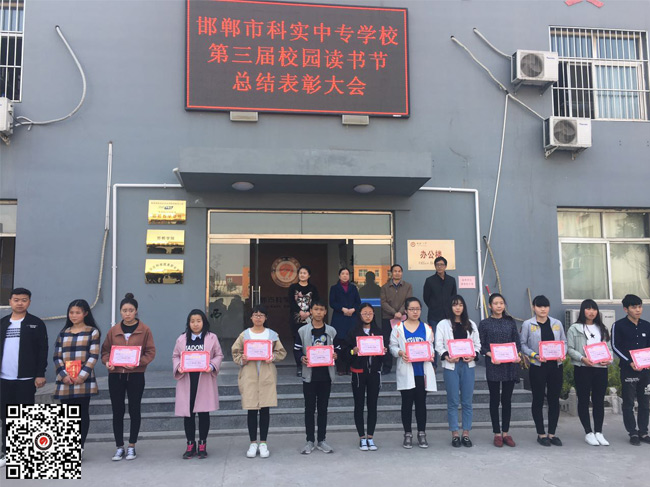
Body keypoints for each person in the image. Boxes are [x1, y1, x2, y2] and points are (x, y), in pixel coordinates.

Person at [101, 292, 156, 461]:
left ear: (136, 311)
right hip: (116, 375)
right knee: (117, 410)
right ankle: (119, 446)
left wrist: (138, 362)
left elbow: (150, 352)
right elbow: (105, 351)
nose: (127, 313)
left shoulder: (144, 330)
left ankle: (132, 445)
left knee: (134, 409)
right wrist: (107, 362)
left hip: (136, 375)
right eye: (124, 310)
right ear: (120, 312)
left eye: (131, 310)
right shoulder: (113, 331)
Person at [0, 288, 48, 468]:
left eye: (24, 300)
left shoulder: (36, 323)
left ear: (29, 302)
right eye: (16, 299)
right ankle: (7, 451)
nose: (20, 303)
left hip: (26, 379)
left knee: (24, 416)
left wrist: (40, 373)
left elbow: (43, 350)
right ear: (10, 301)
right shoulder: (2, 323)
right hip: (4, 378)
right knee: (6, 416)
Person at [232, 305, 286, 459]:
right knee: (251, 409)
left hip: (266, 374)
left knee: (265, 409)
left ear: (266, 318)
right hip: (249, 374)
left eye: (261, 315)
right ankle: (252, 443)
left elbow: (281, 352)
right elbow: (235, 352)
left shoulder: (272, 335)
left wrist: (273, 357)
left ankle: (263, 443)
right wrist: (242, 359)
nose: (258, 318)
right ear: (251, 317)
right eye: (255, 315)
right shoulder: (244, 335)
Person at [52, 299, 101, 461]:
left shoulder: (92, 332)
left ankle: (80, 446)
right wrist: (63, 375)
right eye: (71, 312)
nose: (74, 315)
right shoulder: (63, 333)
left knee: (82, 413)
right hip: (65, 380)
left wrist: (82, 376)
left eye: (77, 312)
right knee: (66, 414)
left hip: (83, 380)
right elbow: (57, 356)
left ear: (85, 313)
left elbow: (93, 356)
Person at [173, 309, 223, 459]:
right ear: (188, 323)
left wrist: (212, 365)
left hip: (204, 380)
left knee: (203, 414)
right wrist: (178, 366)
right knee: (188, 414)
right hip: (187, 381)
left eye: (198, 321)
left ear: (203, 322)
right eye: (192, 321)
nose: (195, 324)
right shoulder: (182, 339)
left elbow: (219, 355)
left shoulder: (212, 337)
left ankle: (202, 444)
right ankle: (190, 445)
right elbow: (175, 356)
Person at [389, 297, 436, 449]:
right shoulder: (398, 328)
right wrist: (400, 352)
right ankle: (407, 434)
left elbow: (431, 346)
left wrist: (431, 354)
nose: (415, 312)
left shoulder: (427, 328)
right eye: (412, 309)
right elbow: (392, 347)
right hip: (406, 371)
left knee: (421, 404)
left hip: (422, 372)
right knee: (407, 404)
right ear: (406, 311)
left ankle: (422, 433)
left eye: (418, 309)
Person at [520, 295, 566, 447]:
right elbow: (523, 344)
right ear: (534, 308)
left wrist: (562, 353)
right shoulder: (528, 324)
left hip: (556, 366)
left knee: (554, 399)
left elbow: (564, 342)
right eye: (539, 306)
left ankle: (552, 433)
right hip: (538, 366)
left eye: (545, 306)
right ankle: (541, 433)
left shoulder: (557, 323)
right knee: (538, 399)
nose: (543, 309)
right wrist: (535, 355)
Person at [435, 294, 481, 447]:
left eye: (460, 305)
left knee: (467, 401)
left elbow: (477, 344)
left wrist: (473, 355)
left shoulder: (471, 324)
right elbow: (438, 345)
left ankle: (466, 433)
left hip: (467, 366)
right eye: (455, 305)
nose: (458, 307)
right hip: (451, 366)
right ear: (450, 307)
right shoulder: (443, 324)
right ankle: (455, 433)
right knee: (453, 401)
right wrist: (446, 356)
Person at [567, 299, 613, 447]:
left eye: (594, 309)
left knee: (599, 400)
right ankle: (588, 432)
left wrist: (609, 359)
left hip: (601, 369)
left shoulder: (602, 328)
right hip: (583, 368)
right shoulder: (575, 328)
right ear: (582, 311)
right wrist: (582, 358)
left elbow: (609, 348)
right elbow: (570, 348)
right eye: (588, 309)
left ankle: (599, 432)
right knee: (584, 399)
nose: (591, 312)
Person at [294, 300, 338, 454]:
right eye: (316, 309)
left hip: (326, 375)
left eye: (321, 309)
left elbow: (338, 348)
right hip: (309, 376)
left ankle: (322, 440)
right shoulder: (302, 331)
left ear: (325, 312)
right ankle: (309, 440)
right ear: (311, 311)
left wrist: (336, 354)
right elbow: (296, 350)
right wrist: (301, 358)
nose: (318, 312)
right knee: (309, 409)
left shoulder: (331, 331)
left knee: (323, 409)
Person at [478, 293, 521, 447]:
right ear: (490, 306)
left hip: (510, 365)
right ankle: (496, 433)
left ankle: (506, 433)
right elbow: (481, 345)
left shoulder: (510, 322)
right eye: (495, 303)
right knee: (494, 400)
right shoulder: (484, 324)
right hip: (494, 365)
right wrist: (491, 355)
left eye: (501, 303)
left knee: (507, 400)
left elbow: (517, 343)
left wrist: (517, 355)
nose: (499, 306)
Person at [343, 303, 386, 451]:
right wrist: (353, 351)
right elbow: (345, 352)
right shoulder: (353, 332)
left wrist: (383, 351)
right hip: (358, 373)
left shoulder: (378, 332)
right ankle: (362, 437)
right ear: (359, 315)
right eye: (364, 313)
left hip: (374, 373)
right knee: (359, 405)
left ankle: (370, 437)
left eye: (370, 313)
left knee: (372, 405)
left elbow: (384, 356)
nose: (368, 316)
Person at [611, 294, 650, 446]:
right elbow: (615, 346)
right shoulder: (619, 325)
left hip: (645, 370)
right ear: (625, 309)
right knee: (628, 402)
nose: (638, 310)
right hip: (629, 370)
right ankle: (632, 432)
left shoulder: (646, 325)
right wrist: (629, 362)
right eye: (634, 307)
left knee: (645, 401)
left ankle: (643, 432)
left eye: (640, 307)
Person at [379, 264, 412, 375]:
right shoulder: (384, 287)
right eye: (395, 271)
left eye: (399, 271)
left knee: (404, 340)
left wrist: (400, 312)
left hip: (403, 318)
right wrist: (394, 313)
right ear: (391, 273)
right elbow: (383, 302)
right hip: (388, 318)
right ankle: (387, 366)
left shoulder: (408, 286)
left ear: (402, 273)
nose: (397, 273)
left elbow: (408, 301)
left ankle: (407, 361)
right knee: (387, 341)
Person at [288, 266, 319, 377]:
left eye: (304, 273)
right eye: (300, 273)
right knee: (297, 342)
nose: (302, 275)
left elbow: (316, 302)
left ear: (309, 275)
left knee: (311, 340)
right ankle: (299, 365)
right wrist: (300, 312)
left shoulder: (313, 288)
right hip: (296, 319)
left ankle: (312, 362)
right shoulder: (293, 287)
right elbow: (291, 302)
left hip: (310, 318)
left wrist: (309, 312)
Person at [329, 267, 360, 375]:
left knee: (351, 342)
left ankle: (350, 367)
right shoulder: (334, 288)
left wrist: (353, 309)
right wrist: (342, 309)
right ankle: (341, 368)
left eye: (347, 274)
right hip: (339, 318)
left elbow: (358, 302)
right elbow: (332, 302)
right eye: (343, 273)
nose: (345, 275)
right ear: (339, 276)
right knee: (339, 343)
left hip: (352, 318)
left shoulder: (353, 288)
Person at [423, 256, 457, 333]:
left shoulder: (451, 280)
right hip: (434, 315)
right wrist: (433, 305)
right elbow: (426, 297)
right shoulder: (429, 280)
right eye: (437, 265)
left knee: (449, 336)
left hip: (448, 314)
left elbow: (454, 296)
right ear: (435, 266)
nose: (439, 267)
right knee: (435, 336)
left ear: (445, 266)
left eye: (441, 265)